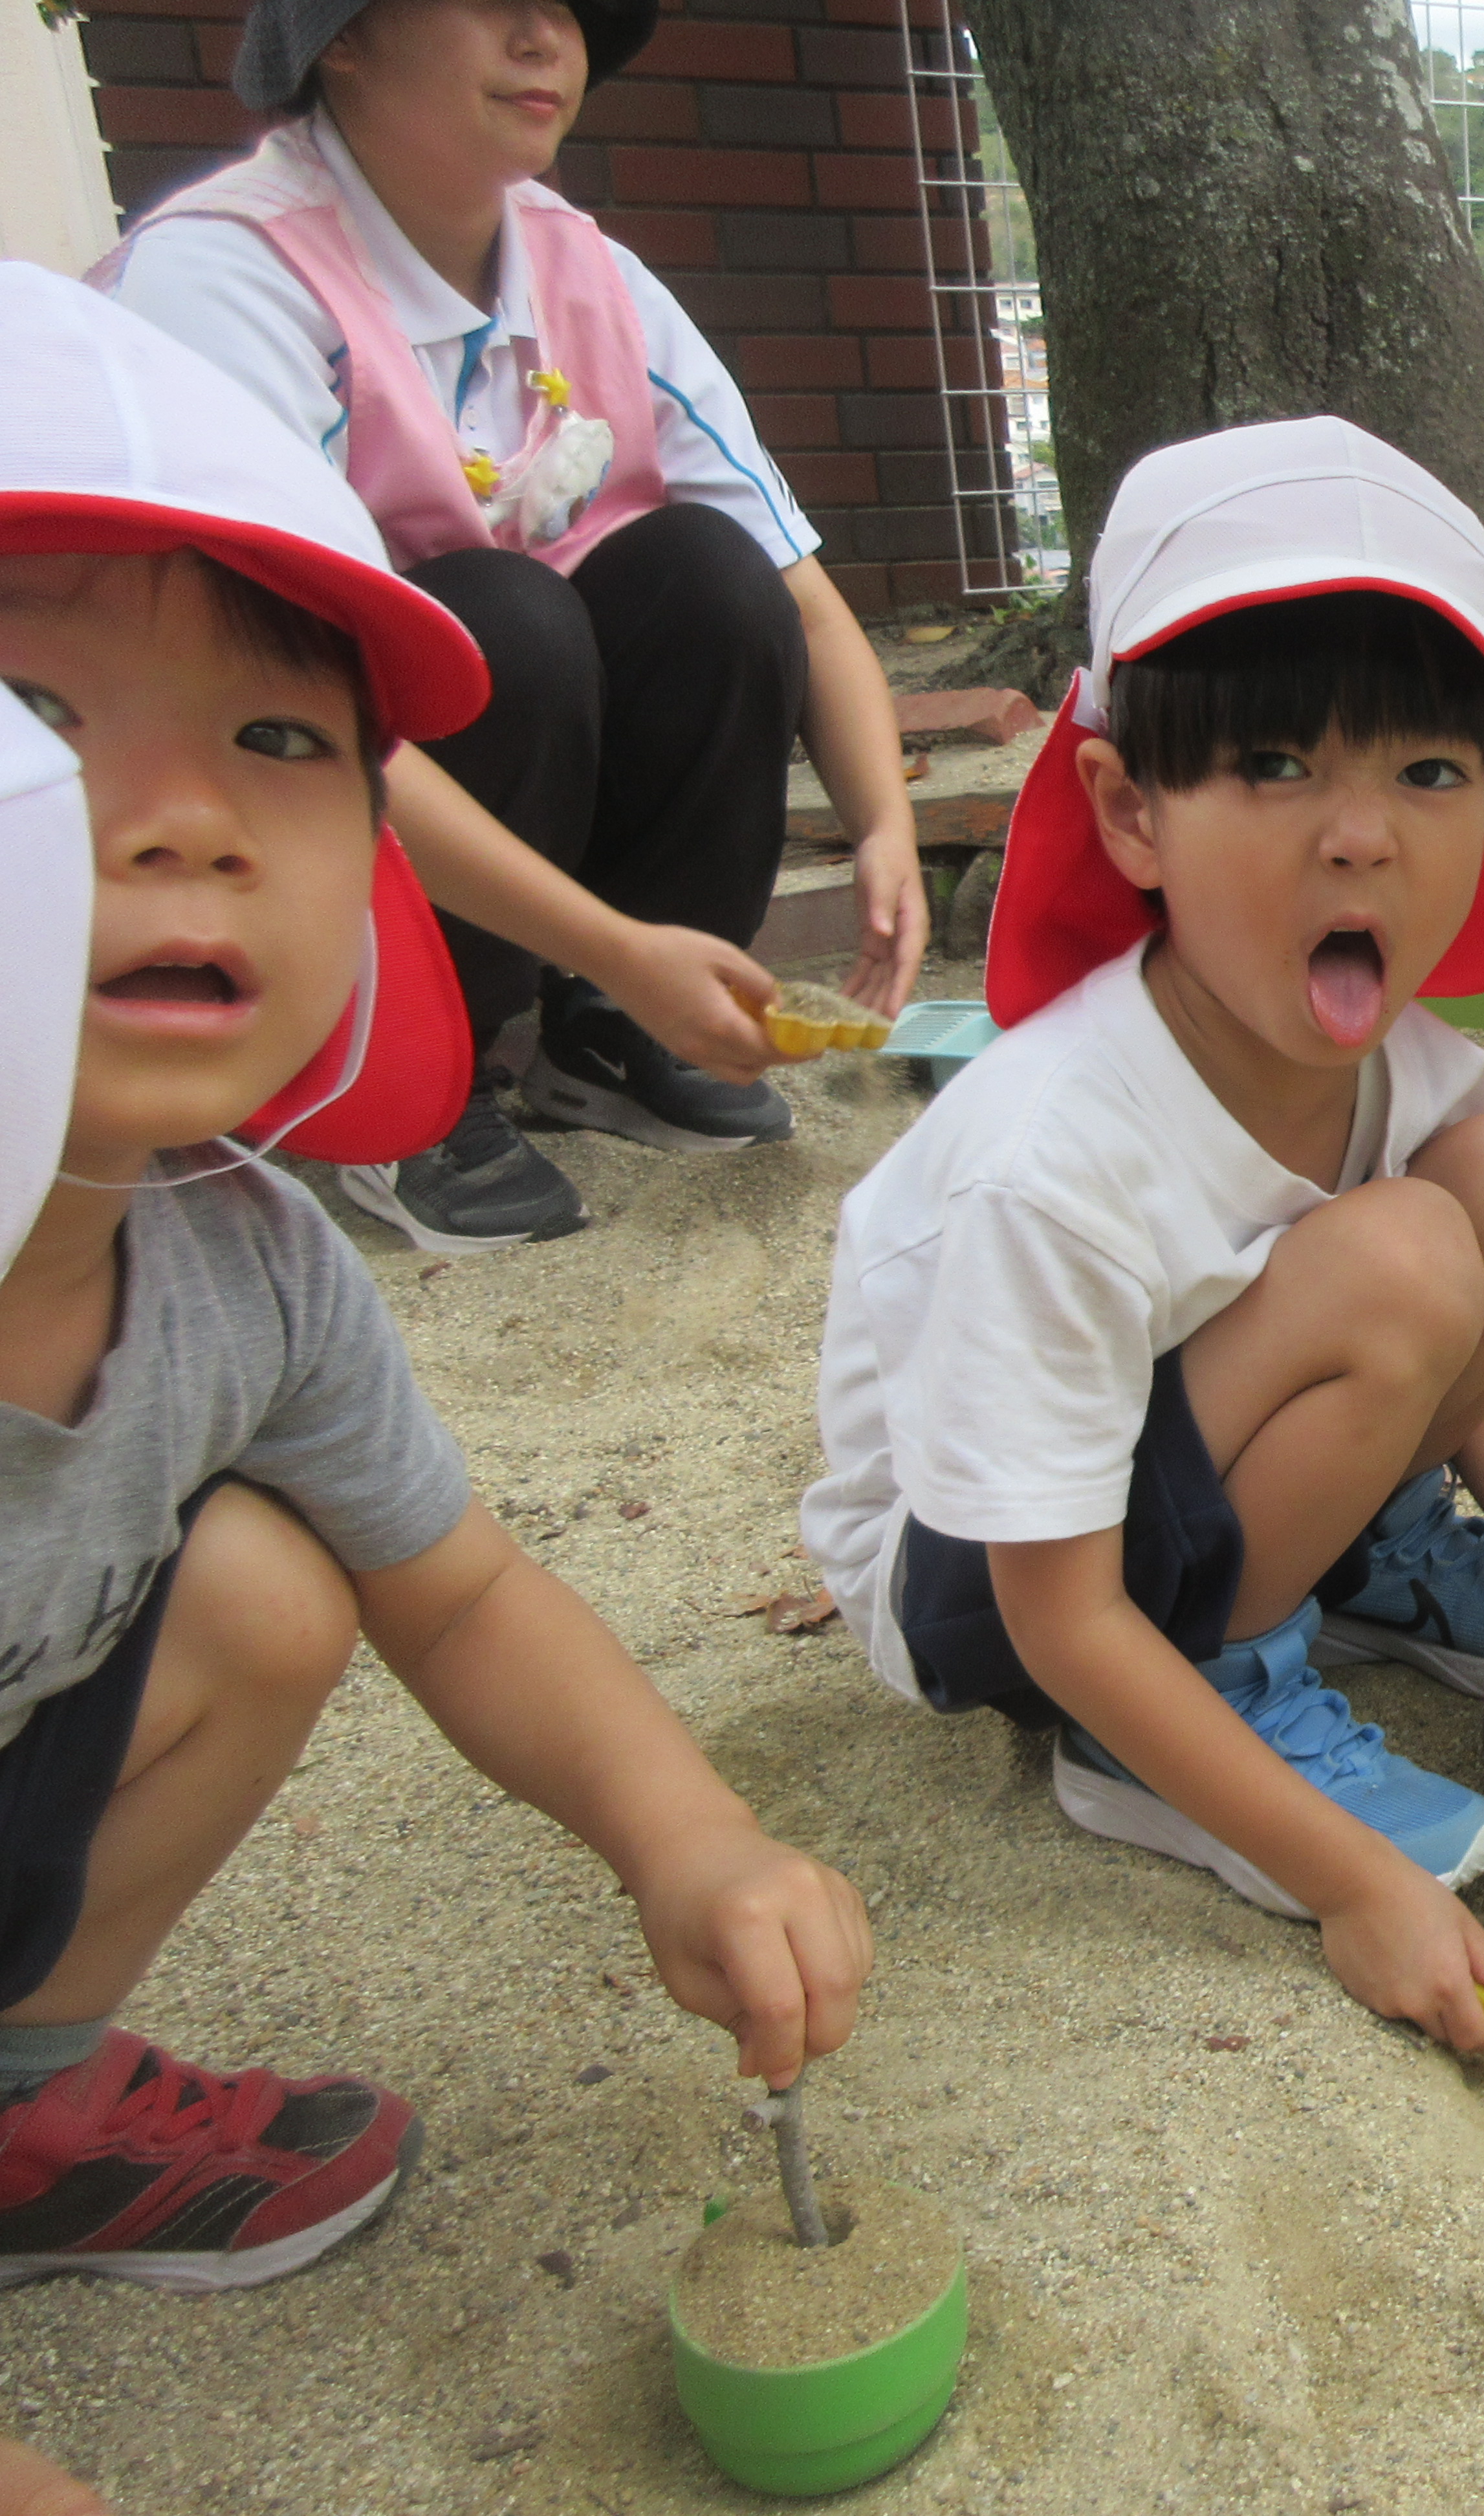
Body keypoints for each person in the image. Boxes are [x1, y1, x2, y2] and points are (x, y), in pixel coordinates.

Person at [0, 276, 868, 2487]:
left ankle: (23, 2106)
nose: (188, 821)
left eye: (280, 743)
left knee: (277, 1586)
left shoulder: (240, 1258)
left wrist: (687, 1834)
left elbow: (462, 1595)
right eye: (38, 711)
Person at [805, 418, 1484, 2053]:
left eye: (1427, 773)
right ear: (1129, 811)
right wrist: (1346, 1882)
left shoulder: (1410, 1066)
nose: (1361, 835)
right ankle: (1181, 1716)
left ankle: (1356, 1554)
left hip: (1167, 1452)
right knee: (1405, 1259)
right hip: (989, 1575)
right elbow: (1051, 1613)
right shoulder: (1051, 1160)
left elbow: (1447, 1286)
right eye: (1273, 766)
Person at [99, 0, 928, 1255]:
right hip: (231, 761)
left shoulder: (588, 274)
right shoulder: (224, 278)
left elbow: (797, 594)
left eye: (572, 7)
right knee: (500, 626)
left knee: (710, 579)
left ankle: (609, 1037)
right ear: (342, 37)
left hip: (440, 741)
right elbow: (275, 706)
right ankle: (404, 1073)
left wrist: (886, 833)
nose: (547, 38)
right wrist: (620, 943)